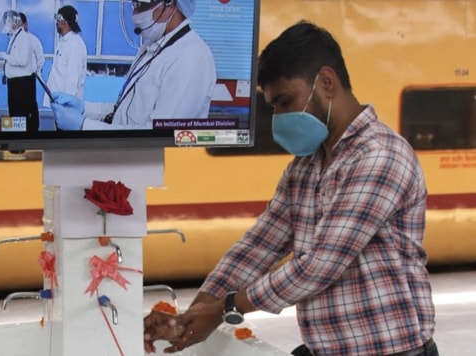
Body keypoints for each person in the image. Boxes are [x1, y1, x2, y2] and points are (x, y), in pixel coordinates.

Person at [143, 20, 438, 356]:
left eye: (285, 101)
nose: (279, 116)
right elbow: (258, 246)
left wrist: (222, 308)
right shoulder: (305, 167)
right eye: (273, 107)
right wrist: (192, 315)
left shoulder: (379, 156)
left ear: (326, 82)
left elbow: (320, 265)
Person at [49, 0, 216, 130]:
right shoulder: (149, 48)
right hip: (128, 161)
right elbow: (124, 111)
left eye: (143, 5)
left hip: (153, 168)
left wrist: (83, 125)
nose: (135, 14)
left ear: (171, 5)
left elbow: (157, 136)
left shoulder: (191, 57)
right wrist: (84, 108)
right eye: (134, 5)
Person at [0, 10, 39, 132]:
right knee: (15, 115)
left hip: (22, 85)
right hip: (14, 84)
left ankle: (24, 141)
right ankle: (16, 140)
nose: (7, 25)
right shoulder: (14, 38)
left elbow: (22, 61)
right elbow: (11, 62)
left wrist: (2, 55)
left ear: (15, 22)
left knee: (21, 116)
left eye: (8, 22)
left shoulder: (24, 38)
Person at [42, 5, 87, 107]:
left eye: (58, 20)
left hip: (66, 105)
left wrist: (66, 105)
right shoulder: (64, 41)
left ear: (64, 22)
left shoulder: (75, 44)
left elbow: (72, 79)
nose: (56, 23)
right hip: (58, 102)